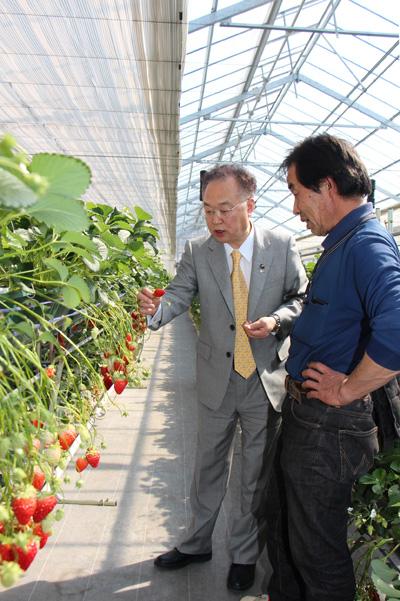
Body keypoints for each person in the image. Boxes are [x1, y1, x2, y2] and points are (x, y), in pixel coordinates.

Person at [242, 134, 400, 601]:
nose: (294, 207)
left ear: (326, 186)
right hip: (310, 418)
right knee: (287, 526)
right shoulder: (343, 244)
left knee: (318, 550)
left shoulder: (367, 246)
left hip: (330, 427)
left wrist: (348, 388)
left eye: (295, 191)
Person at [138, 164, 307, 591]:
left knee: (253, 473)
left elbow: (301, 298)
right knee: (207, 467)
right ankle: (197, 544)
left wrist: (275, 320)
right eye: (209, 210)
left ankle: (244, 556)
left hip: (263, 380)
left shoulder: (282, 245)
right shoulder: (199, 251)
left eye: (225, 210)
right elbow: (179, 293)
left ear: (250, 205)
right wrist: (156, 311)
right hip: (217, 377)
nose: (215, 220)